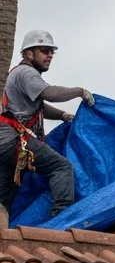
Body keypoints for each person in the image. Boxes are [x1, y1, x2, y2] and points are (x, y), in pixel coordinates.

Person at [0, 30, 94, 224]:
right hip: (14, 142)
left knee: (3, 201)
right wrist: (79, 91)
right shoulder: (27, 72)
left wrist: (62, 115)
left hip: (5, 144)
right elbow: (50, 93)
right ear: (29, 53)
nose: (49, 55)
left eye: (52, 52)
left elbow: (40, 106)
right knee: (61, 167)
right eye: (44, 50)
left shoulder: (16, 74)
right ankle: (62, 219)